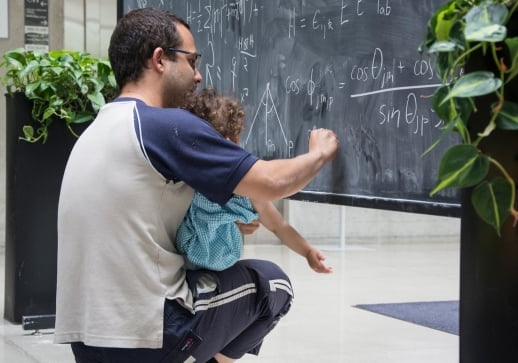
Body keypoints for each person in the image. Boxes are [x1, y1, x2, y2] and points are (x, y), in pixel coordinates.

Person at [54, 7, 339, 363]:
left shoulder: (98, 129)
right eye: (191, 60)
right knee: (273, 284)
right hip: (149, 335)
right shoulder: (165, 126)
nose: (198, 75)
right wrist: (319, 152)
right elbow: (274, 182)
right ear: (159, 59)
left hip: (87, 341)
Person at [177, 87, 333, 274]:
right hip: (197, 266)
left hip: (197, 265)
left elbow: (278, 225)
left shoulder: (185, 176)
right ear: (233, 141)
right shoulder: (238, 186)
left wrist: (307, 251)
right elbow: (278, 225)